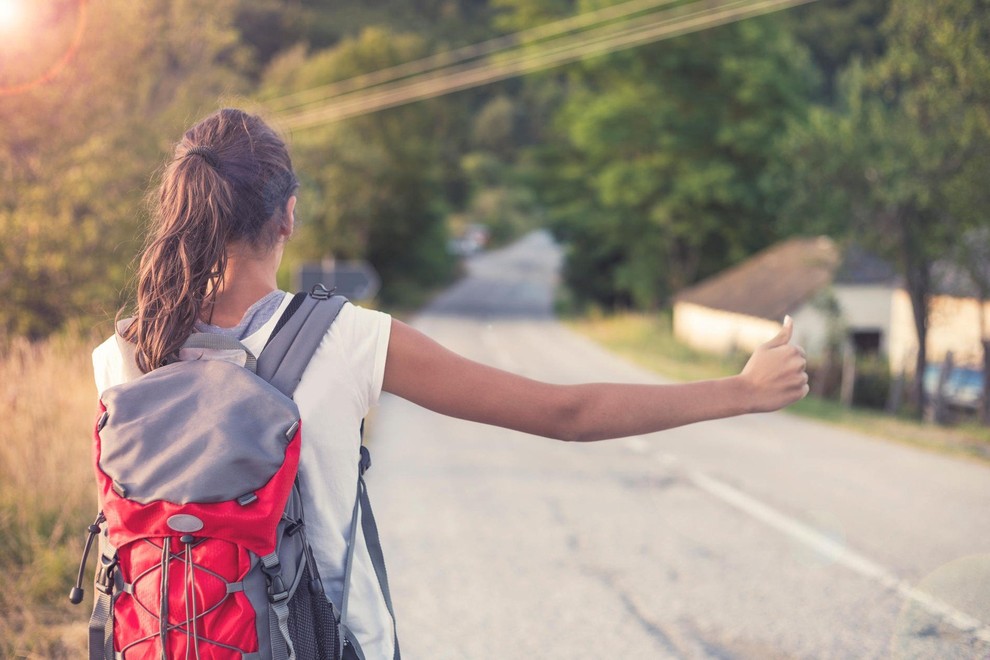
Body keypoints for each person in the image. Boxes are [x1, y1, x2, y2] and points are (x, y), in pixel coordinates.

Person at [92, 108, 808, 659]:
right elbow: (566, 411)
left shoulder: (120, 356)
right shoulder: (345, 342)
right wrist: (740, 390)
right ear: (288, 215)